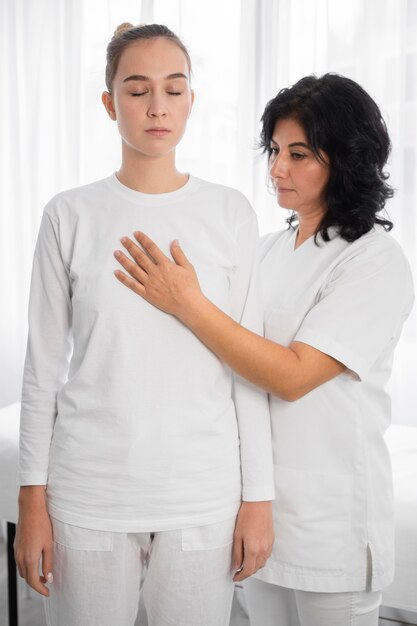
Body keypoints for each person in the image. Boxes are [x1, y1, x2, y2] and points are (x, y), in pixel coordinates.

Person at [113, 73, 415, 626]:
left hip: (330, 521)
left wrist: (189, 303)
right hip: (257, 514)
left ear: (346, 158)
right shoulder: (267, 250)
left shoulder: (374, 260)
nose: (277, 168)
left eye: (299, 154)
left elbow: (294, 375)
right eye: (275, 150)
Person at [14, 23, 275, 626]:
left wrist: (257, 500)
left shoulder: (229, 212)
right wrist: (32, 505)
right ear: (109, 103)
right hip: (89, 494)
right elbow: (42, 370)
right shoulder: (69, 215)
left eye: (173, 89)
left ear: (192, 100)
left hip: (201, 495)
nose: (157, 106)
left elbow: (248, 365)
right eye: (137, 90)